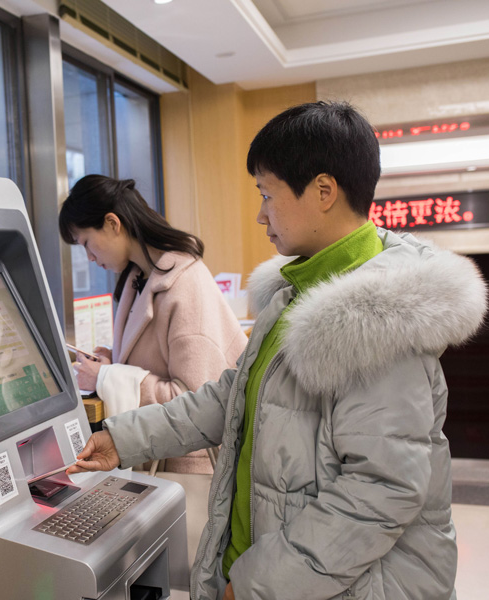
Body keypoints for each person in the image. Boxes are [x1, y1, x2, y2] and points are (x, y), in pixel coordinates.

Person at [68, 102, 488, 600]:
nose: (261, 214)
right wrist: (124, 439)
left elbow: (380, 491)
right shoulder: (297, 292)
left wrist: (257, 585)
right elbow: (231, 397)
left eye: (268, 194)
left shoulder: (381, 318)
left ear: (324, 191)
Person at [59, 175, 247, 473]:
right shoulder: (139, 278)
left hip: (187, 465)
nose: (90, 257)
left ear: (112, 223)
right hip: (159, 457)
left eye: (86, 243)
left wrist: (105, 377)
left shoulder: (185, 283)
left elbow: (198, 403)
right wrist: (113, 361)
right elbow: (157, 363)